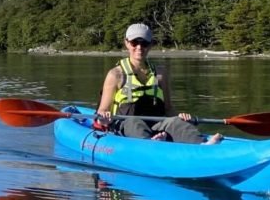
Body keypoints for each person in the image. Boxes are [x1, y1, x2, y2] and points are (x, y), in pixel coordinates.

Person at [94, 23, 222, 145]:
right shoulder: (116, 74)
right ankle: (152, 144)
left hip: (156, 123)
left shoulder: (160, 74)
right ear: (127, 43)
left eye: (144, 43)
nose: (139, 47)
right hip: (124, 124)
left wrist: (181, 118)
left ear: (150, 45)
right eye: (134, 42)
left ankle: (202, 144)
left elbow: (168, 109)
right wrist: (104, 117)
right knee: (134, 122)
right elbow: (103, 110)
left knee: (176, 122)